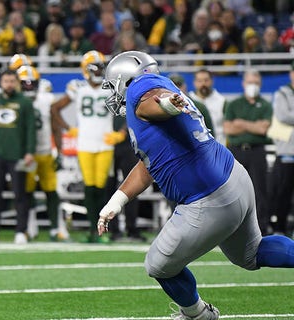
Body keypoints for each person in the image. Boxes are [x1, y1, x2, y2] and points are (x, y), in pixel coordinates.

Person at [97, 50, 294, 319]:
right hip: (233, 176)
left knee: (158, 265)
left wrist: (166, 105)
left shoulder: (140, 87)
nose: (113, 93)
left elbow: (152, 100)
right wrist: (116, 201)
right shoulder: (167, 86)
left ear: (125, 78)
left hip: (208, 197)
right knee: (251, 254)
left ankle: (198, 314)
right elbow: (149, 165)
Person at [51, 50, 113, 243]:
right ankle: (94, 228)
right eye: (97, 67)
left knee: (101, 187)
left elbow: (127, 109)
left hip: (105, 143)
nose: (100, 70)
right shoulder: (77, 87)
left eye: (101, 67)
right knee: (89, 186)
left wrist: (121, 132)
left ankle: (102, 229)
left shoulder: (110, 87)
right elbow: (54, 108)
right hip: (85, 142)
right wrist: (69, 128)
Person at [0, 69, 36, 244]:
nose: (9, 84)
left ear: (17, 82)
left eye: (12, 81)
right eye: (6, 81)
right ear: (0, 83)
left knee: (20, 194)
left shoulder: (25, 103)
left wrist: (30, 151)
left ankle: (21, 231)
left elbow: (30, 129)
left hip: (18, 156)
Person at [16, 65, 64, 242]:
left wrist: (59, 151)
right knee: (25, 192)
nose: (28, 87)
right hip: (26, 155)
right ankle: (28, 227)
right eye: (25, 84)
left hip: (44, 151)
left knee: (51, 191)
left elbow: (55, 127)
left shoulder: (46, 99)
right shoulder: (16, 101)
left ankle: (55, 228)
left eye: (31, 83)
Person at [223, 69, 272, 235]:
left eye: (256, 83)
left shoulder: (265, 105)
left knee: (259, 190)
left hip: (257, 151)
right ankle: (232, 229)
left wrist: (241, 123)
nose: (253, 86)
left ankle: (261, 229)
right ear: (244, 83)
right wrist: (253, 125)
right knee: (233, 189)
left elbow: (263, 129)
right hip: (236, 150)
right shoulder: (234, 104)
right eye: (250, 82)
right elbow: (228, 128)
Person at [268, 61, 294, 236]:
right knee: (283, 194)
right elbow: (283, 115)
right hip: (287, 152)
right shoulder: (282, 93)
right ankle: (280, 229)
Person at [189, 69, 227, 146]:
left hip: (218, 146)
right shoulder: (188, 101)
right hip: (195, 147)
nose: (203, 84)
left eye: (206, 80)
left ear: (212, 81)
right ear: (194, 83)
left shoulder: (222, 101)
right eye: (199, 81)